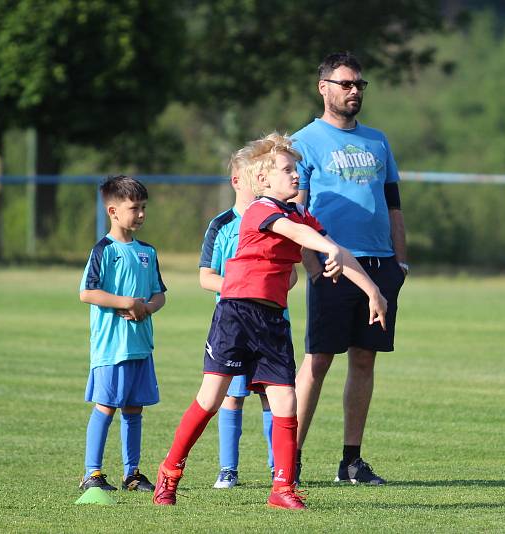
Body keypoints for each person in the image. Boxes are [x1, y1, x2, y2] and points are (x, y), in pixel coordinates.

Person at [152, 133, 388, 509]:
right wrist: (324, 247)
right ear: (264, 180)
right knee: (211, 398)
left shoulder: (300, 213)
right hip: (236, 315)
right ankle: (169, 473)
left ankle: (282, 488)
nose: (296, 176)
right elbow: (296, 234)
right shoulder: (262, 210)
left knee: (286, 400)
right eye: (287, 170)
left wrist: (372, 290)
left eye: (296, 170)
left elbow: (333, 246)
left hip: (273, 319)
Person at [292, 51, 408, 485]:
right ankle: (292, 459)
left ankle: (351, 461)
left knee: (364, 360)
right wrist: (311, 265)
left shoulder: (378, 141)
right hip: (333, 265)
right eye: (346, 84)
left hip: (380, 265)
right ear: (324, 87)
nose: (354, 91)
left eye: (360, 84)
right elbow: (296, 212)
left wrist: (401, 262)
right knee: (318, 360)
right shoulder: (304, 142)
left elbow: (394, 205)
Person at [199, 149, 295, 488]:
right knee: (231, 394)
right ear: (238, 180)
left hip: (271, 318)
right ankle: (228, 470)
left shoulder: (280, 219)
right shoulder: (222, 225)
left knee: (275, 393)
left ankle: (278, 469)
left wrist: (273, 282)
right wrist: (241, 287)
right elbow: (206, 276)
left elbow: (291, 273)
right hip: (235, 320)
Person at [78, 175, 167, 491]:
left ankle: (132, 473)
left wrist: (146, 307)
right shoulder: (104, 250)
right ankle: (93, 473)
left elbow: (159, 295)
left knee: (134, 409)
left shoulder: (148, 252)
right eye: (134, 208)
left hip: (140, 345)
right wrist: (126, 302)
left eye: (144, 208)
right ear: (113, 211)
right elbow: (88, 293)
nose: (141, 214)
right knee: (106, 407)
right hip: (111, 346)